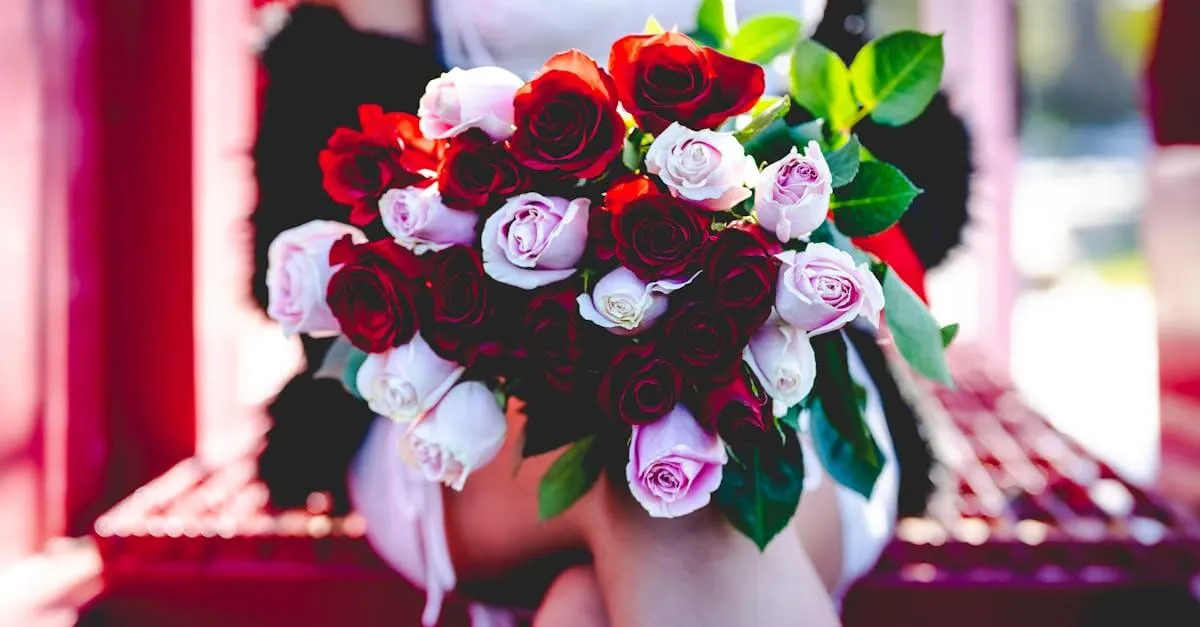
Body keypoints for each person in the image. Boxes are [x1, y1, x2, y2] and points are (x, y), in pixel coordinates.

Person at [249, 0, 970, 624]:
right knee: (671, 478)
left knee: (642, 538)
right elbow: (342, 105)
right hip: (479, 370)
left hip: (778, 364)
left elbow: (859, 85)